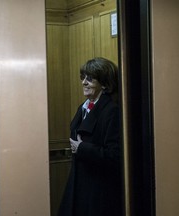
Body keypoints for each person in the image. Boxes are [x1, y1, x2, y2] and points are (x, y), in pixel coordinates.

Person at [58, 57, 123, 216]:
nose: (84, 83)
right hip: (79, 184)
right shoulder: (83, 107)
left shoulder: (111, 110)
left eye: (90, 79)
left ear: (105, 84)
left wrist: (83, 148)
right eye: (83, 78)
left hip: (99, 190)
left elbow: (115, 155)